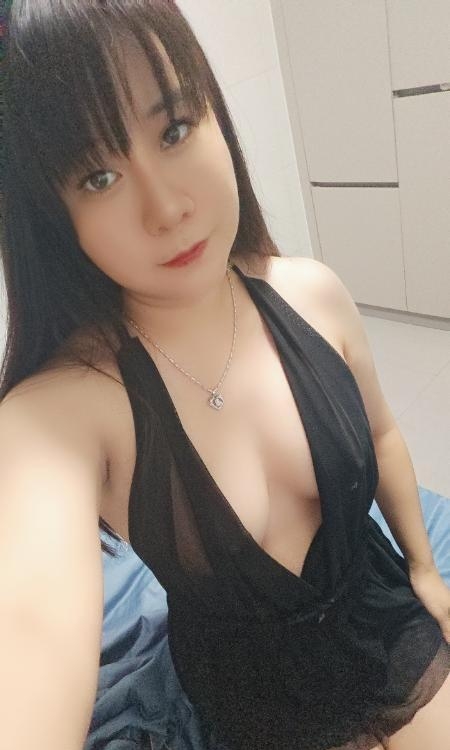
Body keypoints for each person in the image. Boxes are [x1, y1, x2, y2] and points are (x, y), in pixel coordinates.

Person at [0, 1, 449, 749]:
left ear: (214, 116)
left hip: (379, 611)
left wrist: (425, 570)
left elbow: (382, 435)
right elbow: (29, 628)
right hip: (252, 687)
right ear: (54, 217)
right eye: (99, 176)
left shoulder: (311, 292)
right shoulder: (63, 409)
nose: (168, 208)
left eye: (174, 130)